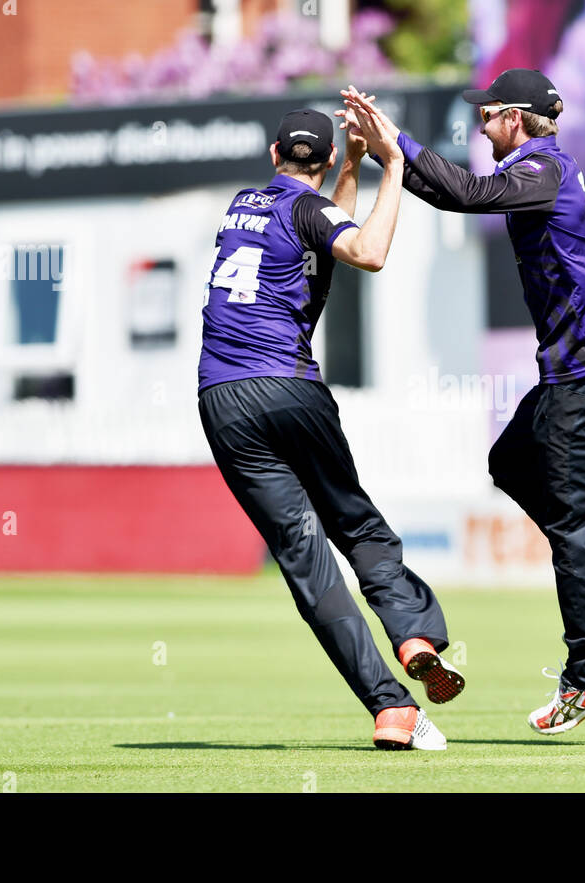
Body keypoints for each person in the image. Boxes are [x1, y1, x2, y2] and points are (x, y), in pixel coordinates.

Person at [341, 72, 585, 737]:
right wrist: (396, 157)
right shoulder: (540, 168)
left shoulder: (538, 168)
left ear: (517, 118)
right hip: (578, 371)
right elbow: (459, 196)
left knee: (574, 527)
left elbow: (468, 193)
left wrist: (399, 144)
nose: (480, 126)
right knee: (512, 460)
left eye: (488, 116)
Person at [197, 107, 464, 751]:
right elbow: (364, 250)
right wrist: (391, 166)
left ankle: (390, 710)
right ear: (319, 165)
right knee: (357, 524)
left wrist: (349, 167)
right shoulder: (309, 212)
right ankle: (412, 633)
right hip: (289, 387)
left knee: (306, 562)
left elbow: (323, 231)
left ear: (273, 154)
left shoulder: (242, 205)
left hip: (221, 398)